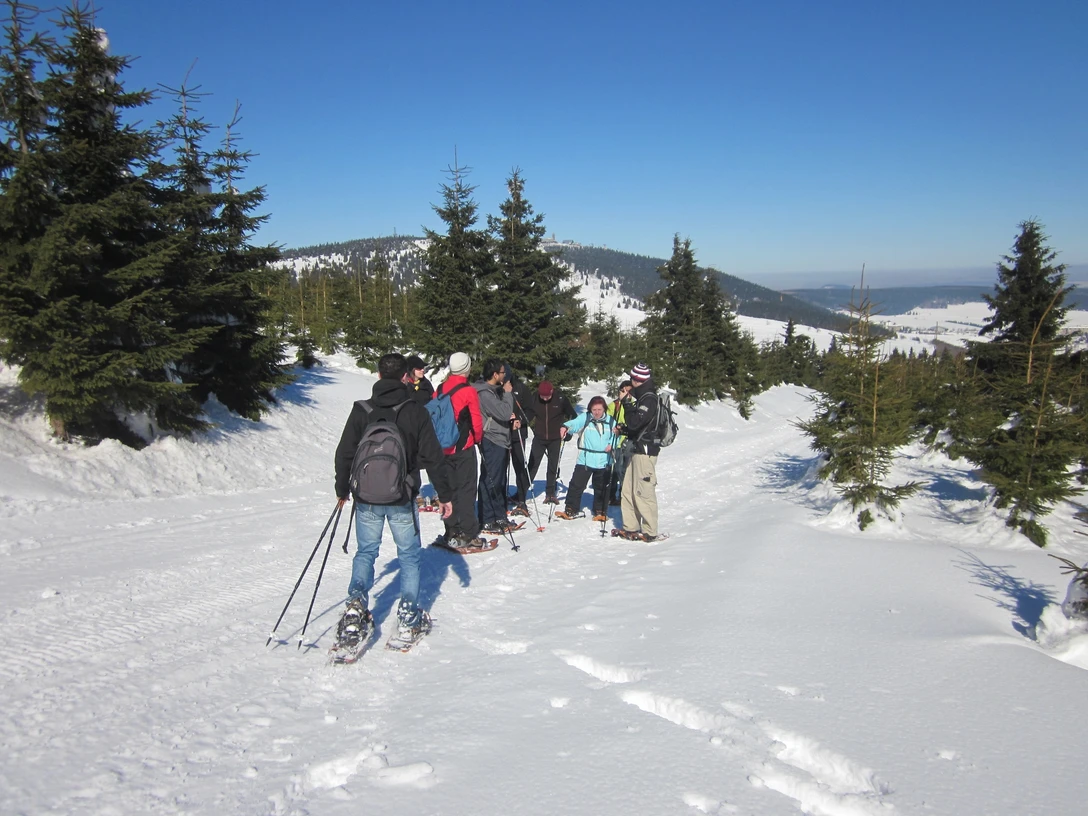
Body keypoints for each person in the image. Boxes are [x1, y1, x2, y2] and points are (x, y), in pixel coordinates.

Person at [333, 353, 453, 647]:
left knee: (366, 552)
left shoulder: (362, 409)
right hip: (402, 495)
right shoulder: (415, 411)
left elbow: (345, 452)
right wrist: (445, 496)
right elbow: (433, 457)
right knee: (409, 556)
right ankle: (409, 618)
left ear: (377, 375)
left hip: (366, 497)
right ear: (406, 377)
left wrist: (342, 489)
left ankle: (355, 609)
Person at [436, 352, 486, 547]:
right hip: (463, 447)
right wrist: (477, 439)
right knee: (466, 490)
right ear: (466, 367)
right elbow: (476, 420)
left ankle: (451, 530)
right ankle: (469, 533)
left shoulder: (439, 388)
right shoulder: (468, 390)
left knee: (449, 490)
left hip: (442, 448)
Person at [615, 363, 662, 541]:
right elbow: (636, 426)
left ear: (639, 380)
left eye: (633, 378)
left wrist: (626, 403)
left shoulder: (649, 398)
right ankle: (631, 526)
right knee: (628, 490)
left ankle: (650, 530)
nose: (631, 380)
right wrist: (625, 430)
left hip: (645, 450)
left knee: (643, 491)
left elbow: (636, 422)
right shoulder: (642, 396)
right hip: (636, 448)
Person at [474, 359, 519, 534]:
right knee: (491, 479)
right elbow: (504, 412)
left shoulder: (493, 391)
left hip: (500, 438)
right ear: (494, 374)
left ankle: (499, 515)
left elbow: (503, 414)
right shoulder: (484, 393)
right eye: (502, 372)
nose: (504, 375)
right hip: (492, 440)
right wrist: (508, 394)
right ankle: (487, 518)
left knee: (499, 480)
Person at [556, 396, 617, 521]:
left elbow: (617, 436)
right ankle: (571, 509)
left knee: (601, 487)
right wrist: (565, 427)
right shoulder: (586, 417)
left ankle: (600, 510)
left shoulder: (611, 421)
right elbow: (575, 423)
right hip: (585, 459)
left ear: (604, 409)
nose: (597, 412)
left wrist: (612, 444)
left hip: (604, 460)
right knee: (576, 485)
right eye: (594, 409)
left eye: (599, 409)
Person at [526, 380, 576, 504]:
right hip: (539, 438)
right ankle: (522, 492)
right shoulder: (535, 398)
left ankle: (550, 493)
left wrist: (568, 430)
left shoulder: (560, 398)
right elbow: (529, 414)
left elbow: (573, 416)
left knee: (553, 466)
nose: (545, 398)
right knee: (532, 465)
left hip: (555, 438)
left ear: (552, 392)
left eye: (547, 396)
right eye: (542, 396)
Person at [505, 363, 535, 515]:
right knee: (501, 467)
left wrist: (520, 420)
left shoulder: (521, 388)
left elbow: (531, 410)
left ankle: (521, 499)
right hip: (501, 433)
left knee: (519, 466)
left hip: (518, 433)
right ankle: (501, 500)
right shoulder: (496, 388)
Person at [606, 380, 633, 506]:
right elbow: (607, 421)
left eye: (629, 391)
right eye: (624, 391)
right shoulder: (614, 405)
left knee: (626, 470)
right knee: (615, 470)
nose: (626, 393)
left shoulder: (634, 404)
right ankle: (612, 496)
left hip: (629, 441)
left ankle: (624, 495)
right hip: (616, 442)